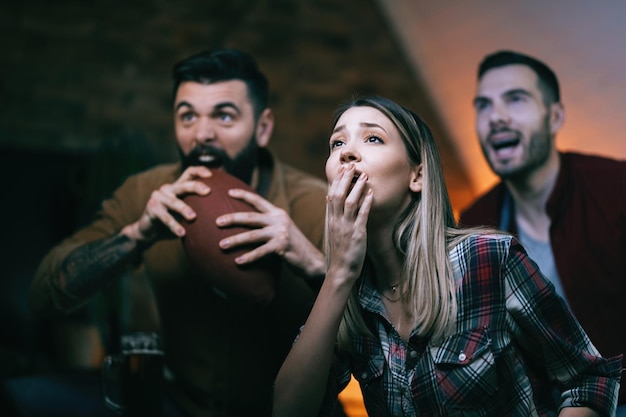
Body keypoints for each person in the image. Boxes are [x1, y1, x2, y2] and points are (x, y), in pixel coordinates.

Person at [20, 48, 329, 417]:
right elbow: (42, 295)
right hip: (180, 406)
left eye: (224, 116)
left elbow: (383, 339)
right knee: (24, 397)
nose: (202, 134)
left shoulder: (317, 206)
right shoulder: (147, 193)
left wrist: (312, 263)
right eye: (187, 116)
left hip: (289, 413)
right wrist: (137, 235)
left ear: (262, 128)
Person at [271, 95, 621, 417]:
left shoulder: (487, 258)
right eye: (337, 143)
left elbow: (589, 379)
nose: (347, 152)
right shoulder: (349, 297)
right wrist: (338, 275)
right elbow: (288, 410)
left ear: (417, 175)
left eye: (372, 138)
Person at [459, 50, 626, 409]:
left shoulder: (616, 190)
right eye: (483, 105)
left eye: (515, 100)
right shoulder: (475, 222)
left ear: (555, 117)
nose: (496, 117)